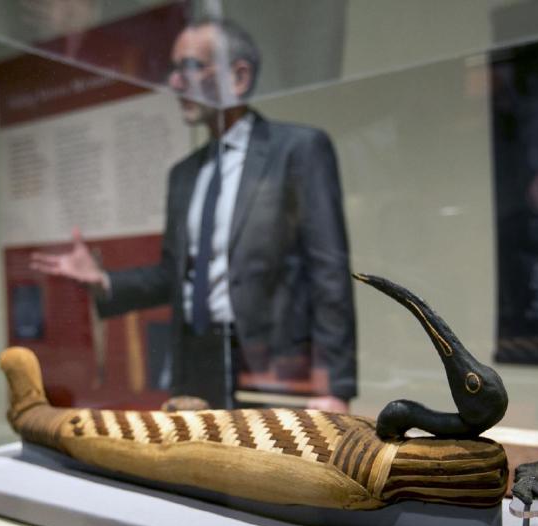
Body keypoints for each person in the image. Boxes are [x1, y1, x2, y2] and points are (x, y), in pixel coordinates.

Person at [33, 19, 356, 411]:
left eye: (188, 67)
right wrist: (102, 280)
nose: (174, 83)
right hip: (196, 362)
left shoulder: (298, 151)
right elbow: (174, 275)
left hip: (273, 365)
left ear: (238, 77)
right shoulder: (184, 175)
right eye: (173, 69)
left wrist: (335, 387)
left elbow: (329, 273)